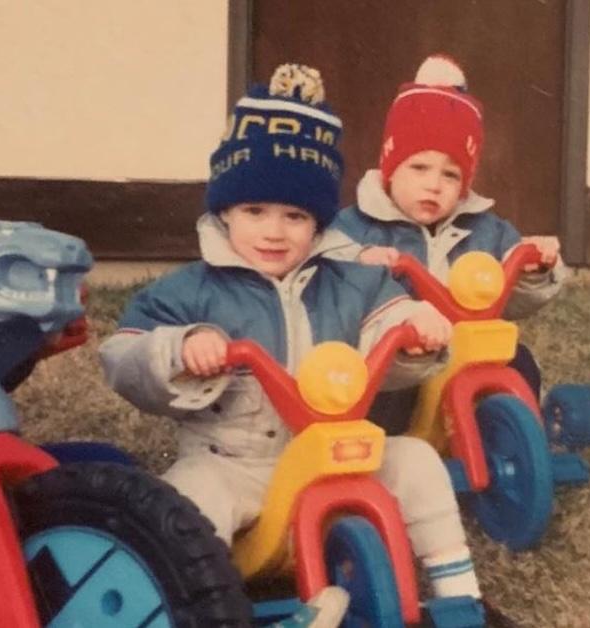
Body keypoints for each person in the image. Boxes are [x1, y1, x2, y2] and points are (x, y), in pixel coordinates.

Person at [101, 63, 513, 626]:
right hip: (236, 465)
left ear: (318, 224)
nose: (274, 231)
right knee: (188, 503)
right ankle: (195, 606)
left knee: (415, 459)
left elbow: (387, 313)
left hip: (335, 457)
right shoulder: (191, 290)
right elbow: (123, 352)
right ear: (224, 212)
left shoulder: (348, 280)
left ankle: (458, 595)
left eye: (295, 216)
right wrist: (180, 348)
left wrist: (418, 331)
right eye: (255, 212)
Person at [326, 54, 566, 433]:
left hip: (467, 349)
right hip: (407, 354)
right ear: (390, 167)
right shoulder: (358, 226)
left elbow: (516, 293)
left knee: (517, 361)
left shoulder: (486, 230)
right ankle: (389, 445)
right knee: (385, 383)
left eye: (451, 175)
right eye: (418, 168)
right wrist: (359, 259)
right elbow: (323, 260)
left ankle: (520, 436)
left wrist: (535, 267)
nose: (434, 185)